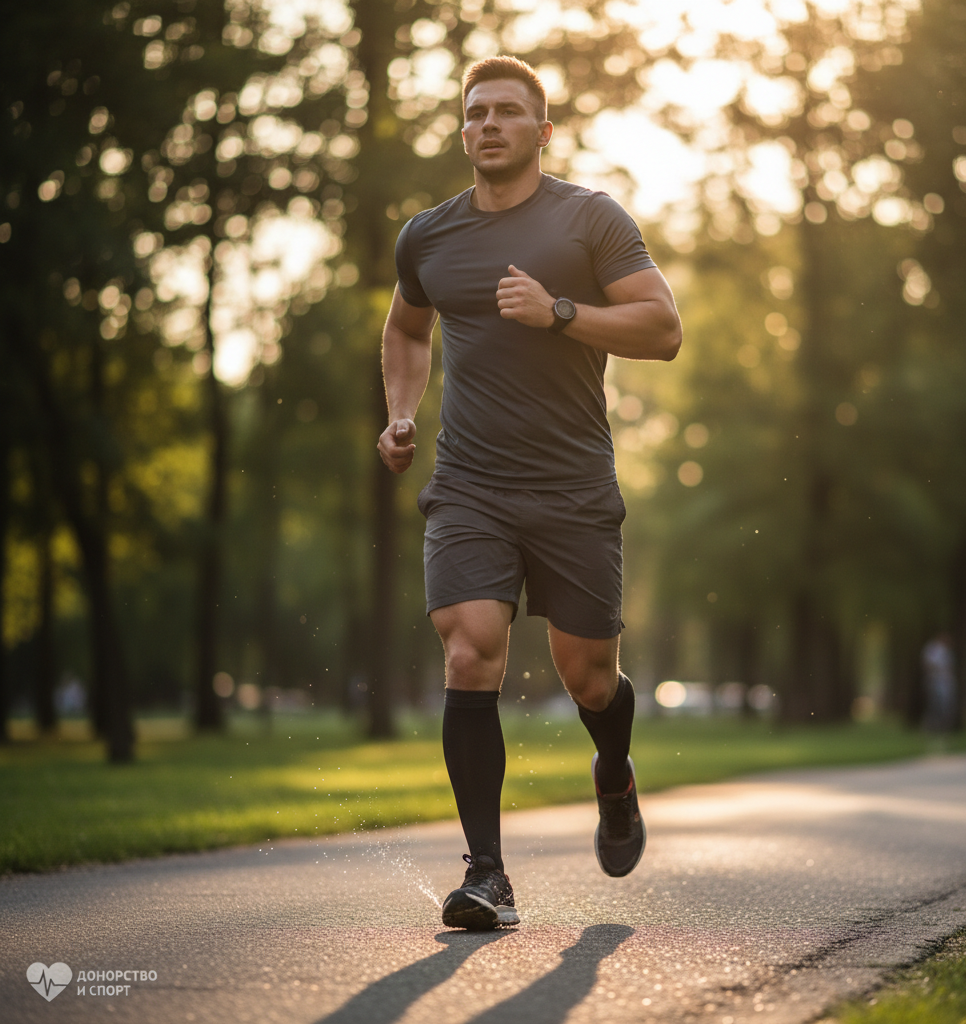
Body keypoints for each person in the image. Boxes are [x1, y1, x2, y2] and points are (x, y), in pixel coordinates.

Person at [376, 55, 682, 930]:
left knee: (589, 679)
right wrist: (402, 415)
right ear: (462, 130)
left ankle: (614, 777)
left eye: (508, 112)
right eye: (475, 114)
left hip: (574, 486)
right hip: (470, 484)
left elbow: (663, 330)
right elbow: (405, 326)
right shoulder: (428, 237)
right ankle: (487, 876)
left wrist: (562, 313)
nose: (489, 125)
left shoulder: (589, 220)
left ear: (543, 132)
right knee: (471, 647)